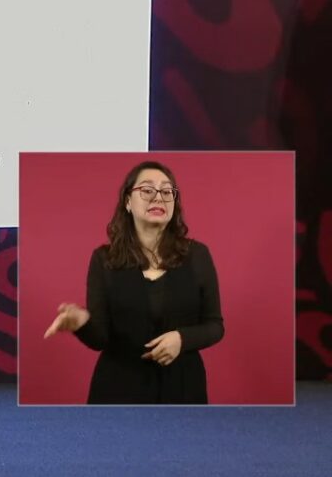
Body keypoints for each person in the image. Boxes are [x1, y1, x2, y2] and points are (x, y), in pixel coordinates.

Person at [43, 160, 224, 404]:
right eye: (147, 190)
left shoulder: (197, 255)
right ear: (128, 201)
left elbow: (215, 326)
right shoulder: (104, 259)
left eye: (167, 191)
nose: (158, 197)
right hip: (119, 390)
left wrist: (182, 339)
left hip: (183, 389)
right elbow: (100, 339)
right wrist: (80, 322)